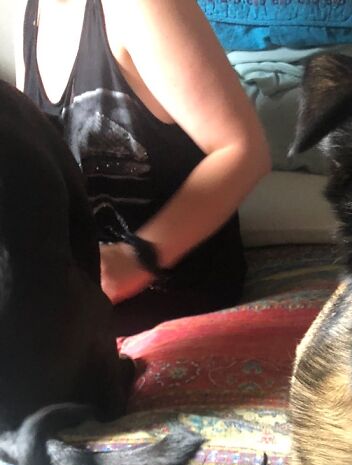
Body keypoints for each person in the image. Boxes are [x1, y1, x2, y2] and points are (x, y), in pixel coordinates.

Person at [16, 0, 271, 335]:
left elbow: (244, 151)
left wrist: (136, 258)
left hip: (172, 286)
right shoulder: (32, 12)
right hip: (85, 287)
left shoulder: (140, 7)